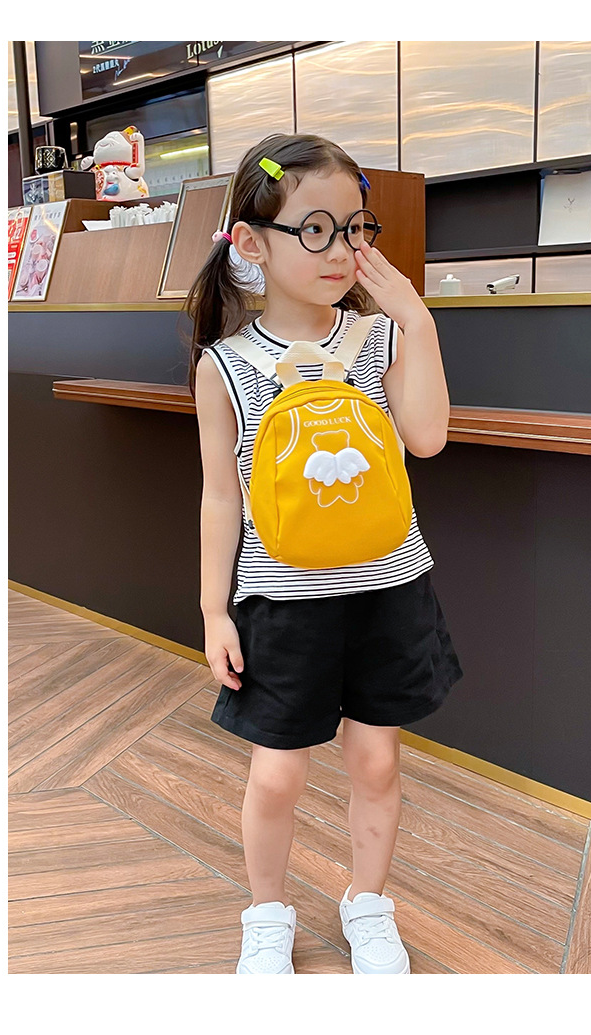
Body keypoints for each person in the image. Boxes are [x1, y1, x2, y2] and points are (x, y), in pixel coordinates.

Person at [186, 132, 463, 975]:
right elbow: (221, 496)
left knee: (376, 760)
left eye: (354, 228)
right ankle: (267, 912)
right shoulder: (225, 366)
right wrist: (213, 610)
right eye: (314, 229)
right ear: (250, 243)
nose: (342, 250)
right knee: (277, 775)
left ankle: (367, 903)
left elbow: (428, 436)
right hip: (282, 603)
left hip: (389, 589)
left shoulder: (380, 340)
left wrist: (416, 320)